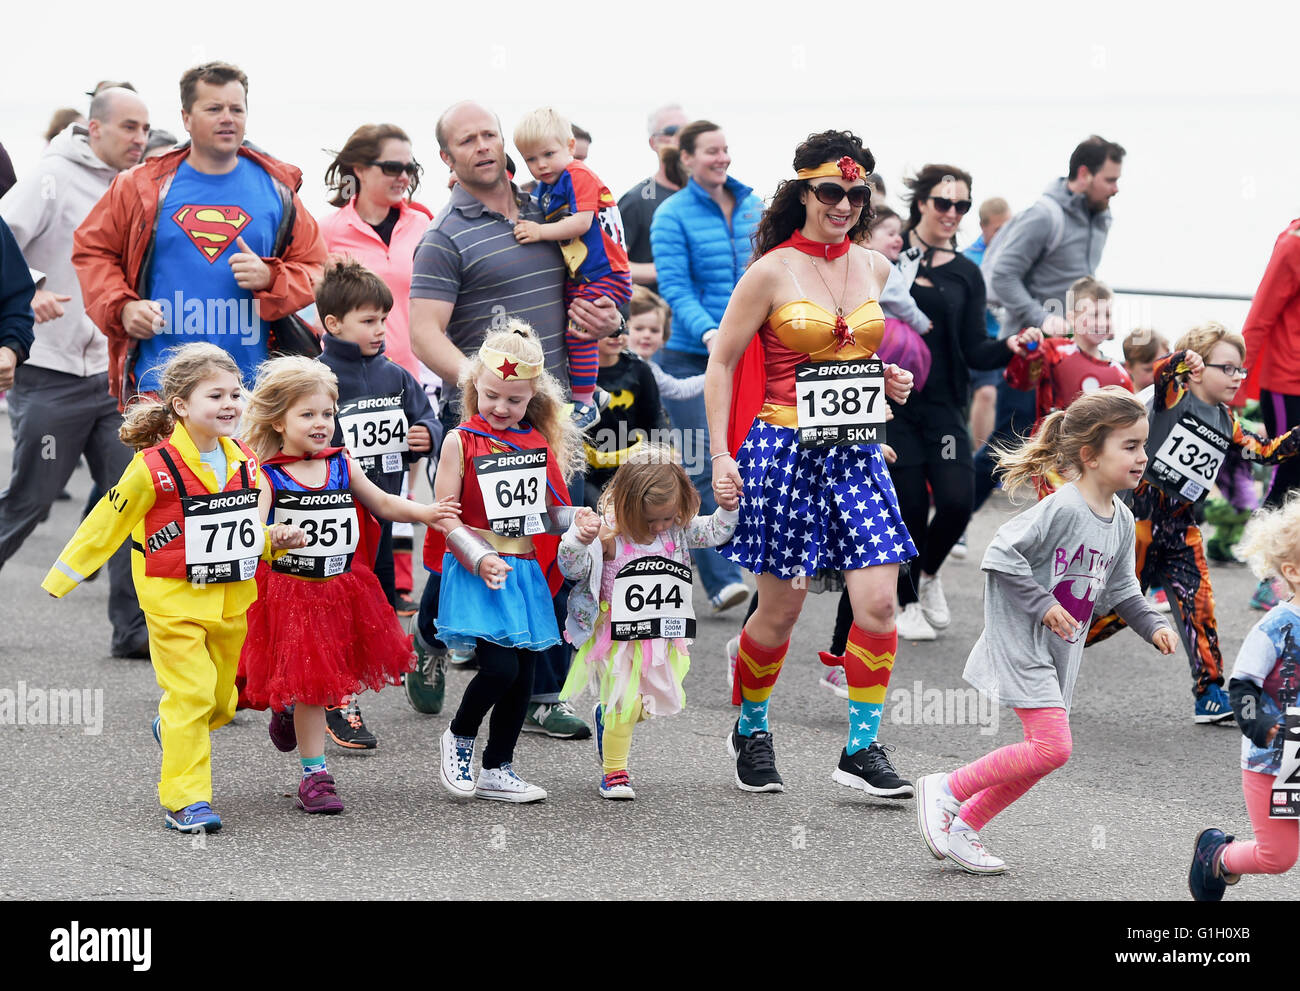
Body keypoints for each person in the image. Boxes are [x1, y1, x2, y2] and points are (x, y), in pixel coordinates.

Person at [707, 129, 918, 795]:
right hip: (783, 450)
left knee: (879, 602)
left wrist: (884, 378)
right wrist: (718, 454)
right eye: (832, 190)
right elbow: (722, 362)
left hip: (856, 453)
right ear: (804, 190)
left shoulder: (876, 267)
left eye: (857, 194)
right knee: (779, 614)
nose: (845, 203)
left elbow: (848, 358)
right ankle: (752, 724)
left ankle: (860, 748)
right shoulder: (770, 271)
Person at [407, 100, 622, 740]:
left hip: (558, 415)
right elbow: (424, 335)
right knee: (479, 545)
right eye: (466, 141)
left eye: (490, 135)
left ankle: (541, 691)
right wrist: (489, 387)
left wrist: (610, 319)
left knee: (556, 541)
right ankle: (429, 634)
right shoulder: (445, 237)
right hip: (487, 422)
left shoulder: (551, 208)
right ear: (446, 160)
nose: (483, 147)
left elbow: (605, 278)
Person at [41, 344, 306, 834]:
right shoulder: (152, 467)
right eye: (215, 395)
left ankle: (172, 731)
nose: (230, 403)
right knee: (190, 695)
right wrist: (65, 575)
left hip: (231, 601)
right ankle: (186, 799)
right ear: (181, 405)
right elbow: (107, 520)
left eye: (235, 393)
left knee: (223, 703)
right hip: (172, 603)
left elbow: (242, 533)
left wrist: (275, 542)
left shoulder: (244, 460)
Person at [915, 387, 1176, 873]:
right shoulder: (1062, 507)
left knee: (1045, 755)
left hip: (1059, 652)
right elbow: (1000, 555)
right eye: (1130, 446)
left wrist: (1153, 624)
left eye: (1144, 445)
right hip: (1023, 643)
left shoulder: (1120, 518)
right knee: (1053, 747)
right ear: (1089, 455)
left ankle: (965, 827)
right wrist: (1043, 605)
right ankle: (947, 789)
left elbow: (1123, 588)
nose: (1143, 456)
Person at [237, 356, 458, 814]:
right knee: (314, 688)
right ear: (278, 420)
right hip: (291, 593)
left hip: (340, 588)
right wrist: (273, 536)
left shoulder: (341, 463)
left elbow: (382, 503)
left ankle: (289, 707)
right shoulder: (268, 474)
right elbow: (251, 532)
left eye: (328, 414)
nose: (322, 424)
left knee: (324, 677)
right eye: (308, 414)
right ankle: (314, 776)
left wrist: (426, 512)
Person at [72, 61, 326, 407]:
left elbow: (317, 268)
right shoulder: (141, 186)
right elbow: (92, 250)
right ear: (186, 118)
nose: (227, 117)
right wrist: (123, 308)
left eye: (236, 109)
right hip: (161, 387)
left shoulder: (277, 189)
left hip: (250, 392)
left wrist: (272, 276)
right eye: (214, 108)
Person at [0, 87, 152, 659]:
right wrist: (32, 286)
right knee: (31, 502)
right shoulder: (48, 178)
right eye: (129, 127)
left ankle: (133, 631)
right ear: (95, 128)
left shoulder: (136, 185)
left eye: (145, 128)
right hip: (51, 373)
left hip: (112, 376)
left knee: (128, 499)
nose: (140, 138)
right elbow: (2, 238)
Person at [1087, 323, 1300, 723]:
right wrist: (1182, 360)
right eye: (1229, 369)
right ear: (1200, 369)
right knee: (1117, 612)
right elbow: (1164, 371)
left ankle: (1211, 693)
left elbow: (1266, 451)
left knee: (1198, 606)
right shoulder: (1173, 398)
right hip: (1140, 523)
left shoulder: (1228, 422)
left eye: (1242, 370)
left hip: (1182, 526)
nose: (1238, 378)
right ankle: (1050, 644)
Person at [430, 323, 582, 802]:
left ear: (532, 396)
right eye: (492, 396)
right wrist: (480, 558)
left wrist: (577, 516)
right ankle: (459, 735)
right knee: (500, 669)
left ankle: (499, 766)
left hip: (525, 571)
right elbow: (445, 516)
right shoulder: (460, 441)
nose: (501, 408)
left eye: (513, 401)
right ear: (475, 385)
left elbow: (546, 511)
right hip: (480, 569)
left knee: (526, 673)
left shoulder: (536, 444)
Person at [889, 164, 1039, 642]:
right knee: (909, 508)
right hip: (891, 406)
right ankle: (905, 601)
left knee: (956, 499)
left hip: (944, 405)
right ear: (921, 203)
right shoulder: (889, 257)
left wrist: (1011, 344)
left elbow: (975, 348)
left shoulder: (967, 272)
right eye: (943, 203)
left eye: (962, 205)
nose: (952, 213)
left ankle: (928, 575)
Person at [557, 447, 740, 799]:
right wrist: (577, 540)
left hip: (661, 634)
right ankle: (615, 772)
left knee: (651, 703)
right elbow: (572, 569)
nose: (658, 527)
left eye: (667, 518)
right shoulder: (609, 534)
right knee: (625, 706)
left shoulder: (677, 532)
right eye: (649, 520)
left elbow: (716, 531)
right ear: (627, 505)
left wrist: (728, 508)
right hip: (617, 635)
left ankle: (605, 716)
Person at [316, 260, 441, 746]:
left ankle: (324, 688)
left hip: (383, 515)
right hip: (333, 519)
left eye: (383, 320)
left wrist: (425, 434)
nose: (380, 330)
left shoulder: (397, 375)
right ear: (333, 324)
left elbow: (428, 419)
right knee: (335, 609)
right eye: (368, 320)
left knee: (377, 609)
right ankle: (336, 698)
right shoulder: (318, 376)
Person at [973, 136, 1126, 516]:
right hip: (1031, 353)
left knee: (1068, 448)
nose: (1116, 188)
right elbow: (1002, 277)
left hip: (1071, 353)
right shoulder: (1045, 215)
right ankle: (954, 521)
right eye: (1109, 179)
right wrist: (1045, 319)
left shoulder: (1101, 217)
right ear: (1084, 174)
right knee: (1007, 442)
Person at [319, 123, 436, 617]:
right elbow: (314, 303)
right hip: (344, 374)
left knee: (402, 482)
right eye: (392, 167)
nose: (404, 176)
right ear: (358, 170)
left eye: (411, 167)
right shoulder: (327, 231)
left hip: (410, 368)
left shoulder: (424, 222)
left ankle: (396, 589)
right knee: (356, 483)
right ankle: (357, 587)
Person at [651, 119, 762, 614]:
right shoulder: (670, 214)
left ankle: (758, 554)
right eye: (711, 151)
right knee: (702, 462)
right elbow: (675, 287)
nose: (722, 158)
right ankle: (720, 580)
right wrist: (711, 333)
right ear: (688, 159)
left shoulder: (756, 205)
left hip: (752, 351)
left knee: (753, 457)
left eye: (725, 150)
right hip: (693, 353)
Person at [1188, 495, 1300, 900]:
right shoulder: (1277, 627)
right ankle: (1216, 856)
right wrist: (1265, 726)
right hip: (1275, 761)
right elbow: (1243, 687)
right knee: (1278, 857)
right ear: (1293, 571)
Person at [512, 107, 632, 409]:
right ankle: (588, 391)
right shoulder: (549, 186)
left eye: (548, 154)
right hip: (583, 274)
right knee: (569, 328)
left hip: (606, 273)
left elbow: (582, 223)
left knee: (580, 331)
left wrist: (539, 232)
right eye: (530, 159)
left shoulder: (578, 174)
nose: (540, 165)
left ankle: (583, 403)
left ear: (570, 146)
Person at [1002, 276, 1133, 498]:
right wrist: (1030, 348)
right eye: (1093, 315)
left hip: (1099, 463)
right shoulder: (1053, 352)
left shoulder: (1120, 376)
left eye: (1107, 315)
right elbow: (1020, 380)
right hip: (1055, 457)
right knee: (1061, 514)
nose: (1101, 322)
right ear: (1072, 317)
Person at [1242, 214, 1300, 609]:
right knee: (1290, 476)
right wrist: (1234, 382)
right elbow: (1260, 315)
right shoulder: (1294, 243)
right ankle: (1266, 578)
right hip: (1286, 383)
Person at [583, 311, 668, 502]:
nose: (617, 337)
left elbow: (654, 417)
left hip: (631, 466)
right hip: (586, 469)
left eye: (622, 330)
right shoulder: (575, 372)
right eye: (608, 331)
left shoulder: (639, 370)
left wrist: (663, 452)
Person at [618, 103, 688, 295]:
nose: (681, 137)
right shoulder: (636, 200)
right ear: (653, 143)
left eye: (688, 130)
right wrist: (666, 270)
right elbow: (612, 264)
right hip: (653, 317)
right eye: (672, 131)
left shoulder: (711, 197)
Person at [964, 197, 1012, 452]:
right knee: (986, 394)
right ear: (983, 226)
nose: (1005, 236)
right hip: (979, 340)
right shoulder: (968, 259)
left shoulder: (1016, 254)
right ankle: (982, 458)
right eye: (998, 230)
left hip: (1008, 339)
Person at [1121, 327, 1169, 394]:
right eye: (1149, 369)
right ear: (1128, 367)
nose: (1157, 375)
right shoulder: (1122, 402)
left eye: (1162, 366)